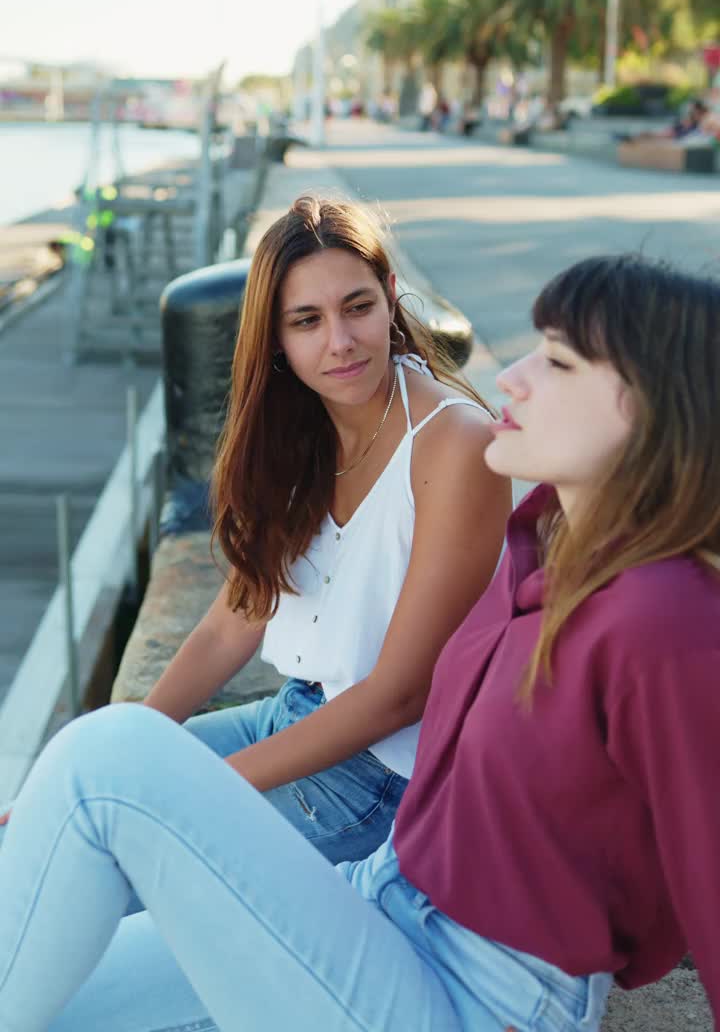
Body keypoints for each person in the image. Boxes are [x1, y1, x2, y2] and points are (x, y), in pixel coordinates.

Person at [3, 252, 720, 1032]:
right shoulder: (545, 546)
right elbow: (235, 618)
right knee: (58, 987)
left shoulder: (663, 619)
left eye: (556, 359)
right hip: (383, 904)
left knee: (101, 764)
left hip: (480, 994)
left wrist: (202, 792)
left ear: (654, 405)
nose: (510, 376)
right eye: (306, 321)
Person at [0, 193, 508, 865]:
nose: (341, 341)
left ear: (390, 296)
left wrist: (187, 793)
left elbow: (398, 696)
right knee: (70, 795)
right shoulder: (299, 434)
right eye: (307, 321)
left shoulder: (454, 445)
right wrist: (126, 753)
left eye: (358, 306)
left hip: (385, 777)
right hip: (298, 714)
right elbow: (230, 622)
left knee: (111, 861)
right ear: (275, 336)